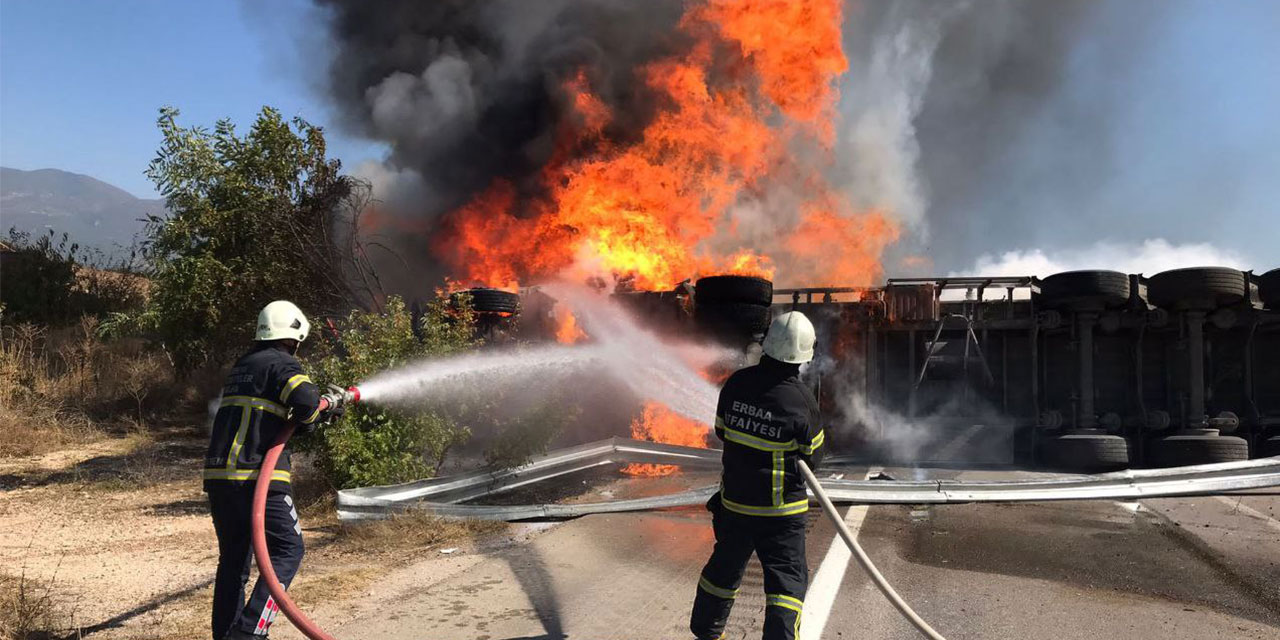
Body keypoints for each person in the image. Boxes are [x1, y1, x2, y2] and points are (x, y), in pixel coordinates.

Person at [204, 301, 346, 640]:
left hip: (220, 479)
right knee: (288, 549)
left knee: (234, 563)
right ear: (293, 336)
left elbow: (276, 412)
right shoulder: (281, 362)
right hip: (258, 478)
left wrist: (314, 416)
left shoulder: (243, 366)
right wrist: (319, 413)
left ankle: (228, 635)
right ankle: (250, 631)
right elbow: (307, 401)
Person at [690, 311, 826, 640]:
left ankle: (706, 631)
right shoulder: (802, 402)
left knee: (724, 569)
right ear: (803, 356)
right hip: (780, 514)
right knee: (786, 584)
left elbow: (722, 431)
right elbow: (814, 458)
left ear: (767, 345)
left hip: (735, 505)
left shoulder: (736, 384)